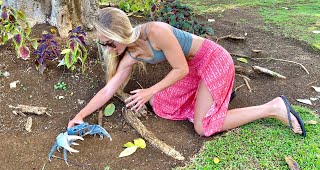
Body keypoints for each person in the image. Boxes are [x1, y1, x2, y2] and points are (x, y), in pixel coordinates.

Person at [68, 7, 306, 137]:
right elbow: (109, 89)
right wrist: (79, 116)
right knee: (162, 104)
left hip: (213, 60)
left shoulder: (156, 31)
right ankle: (218, 98)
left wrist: (149, 90)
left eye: (108, 43)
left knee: (203, 127)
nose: (107, 49)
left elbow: (180, 69)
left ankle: (273, 108)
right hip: (194, 69)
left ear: (120, 34)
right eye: (103, 44)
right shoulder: (130, 55)